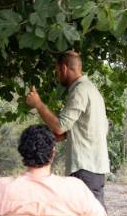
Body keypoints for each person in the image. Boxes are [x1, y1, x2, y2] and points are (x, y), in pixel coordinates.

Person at [25, 49, 110, 207]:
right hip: (95, 167)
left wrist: (38, 104)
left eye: (57, 71)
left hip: (84, 167)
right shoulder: (92, 91)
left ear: (64, 68)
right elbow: (100, 129)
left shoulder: (80, 91)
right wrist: (68, 134)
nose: (57, 76)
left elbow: (60, 126)